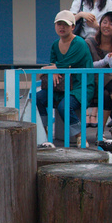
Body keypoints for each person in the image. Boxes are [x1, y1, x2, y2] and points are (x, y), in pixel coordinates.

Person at [36, 10, 95, 147]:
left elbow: (64, 63)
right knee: (38, 98)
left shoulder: (79, 43)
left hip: (80, 85)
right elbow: (54, 64)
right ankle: (44, 132)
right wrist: (54, 70)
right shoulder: (55, 44)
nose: (62, 27)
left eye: (66, 25)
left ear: (73, 27)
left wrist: (52, 69)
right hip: (61, 86)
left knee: (64, 106)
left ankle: (80, 136)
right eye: (59, 24)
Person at [84, 11, 112, 129]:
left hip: (109, 85)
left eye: (111, 24)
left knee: (106, 94)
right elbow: (88, 66)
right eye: (104, 22)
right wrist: (104, 62)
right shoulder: (89, 42)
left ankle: (100, 133)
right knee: (107, 78)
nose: (107, 26)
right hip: (92, 82)